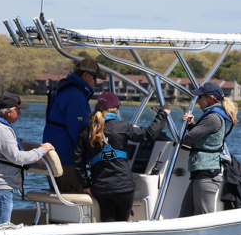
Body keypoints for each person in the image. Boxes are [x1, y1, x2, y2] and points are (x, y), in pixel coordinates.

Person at [73, 92, 170, 222]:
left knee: (108, 225)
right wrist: (162, 113)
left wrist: (85, 184)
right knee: (122, 225)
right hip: (123, 186)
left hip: (101, 187)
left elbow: (78, 160)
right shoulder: (122, 127)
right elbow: (150, 133)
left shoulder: (87, 131)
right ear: (116, 109)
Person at [0, 93, 54, 227]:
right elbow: (18, 158)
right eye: (18, 110)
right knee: (0, 231)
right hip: (1, 188)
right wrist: (43, 150)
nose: (19, 114)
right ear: (8, 112)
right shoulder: (1, 129)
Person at [43, 58, 107, 193]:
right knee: (74, 200)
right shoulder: (75, 95)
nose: (95, 82)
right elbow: (79, 132)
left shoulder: (63, 89)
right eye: (95, 77)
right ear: (85, 75)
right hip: (68, 162)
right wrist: (92, 157)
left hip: (55, 159)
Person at [179, 82, 238, 216]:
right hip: (201, 173)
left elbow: (187, 139)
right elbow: (199, 137)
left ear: (211, 99)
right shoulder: (212, 116)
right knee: (185, 215)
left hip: (206, 175)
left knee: (203, 217)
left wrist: (186, 128)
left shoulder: (212, 118)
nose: (198, 100)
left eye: (200, 97)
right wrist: (191, 125)